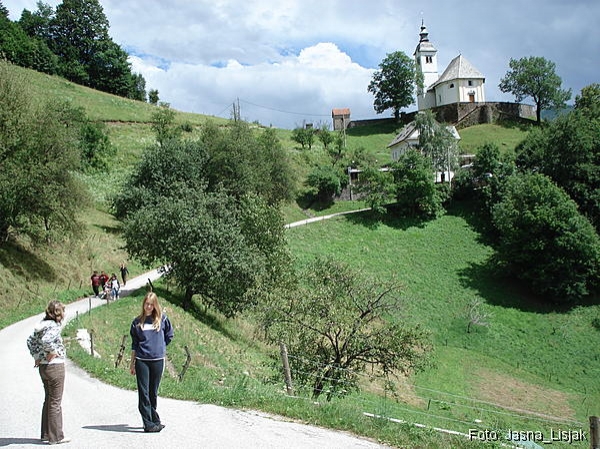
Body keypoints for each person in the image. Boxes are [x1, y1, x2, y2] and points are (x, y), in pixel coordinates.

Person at [26, 300, 71, 445]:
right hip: (55, 367)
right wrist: (53, 351)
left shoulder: (41, 325)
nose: (64, 314)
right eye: (63, 311)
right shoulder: (54, 326)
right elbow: (47, 340)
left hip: (43, 368)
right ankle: (56, 436)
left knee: (48, 399)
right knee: (55, 402)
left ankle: (46, 433)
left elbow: (30, 341)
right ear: (58, 313)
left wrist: (37, 356)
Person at [129, 292, 174, 433]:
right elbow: (134, 345)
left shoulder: (162, 320)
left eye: (151, 304)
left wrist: (160, 347)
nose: (148, 307)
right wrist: (132, 363)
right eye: (146, 304)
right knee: (144, 393)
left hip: (157, 360)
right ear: (143, 304)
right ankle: (148, 423)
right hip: (142, 361)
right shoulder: (137, 323)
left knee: (153, 392)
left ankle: (154, 419)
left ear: (155, 305)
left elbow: (169, 335)